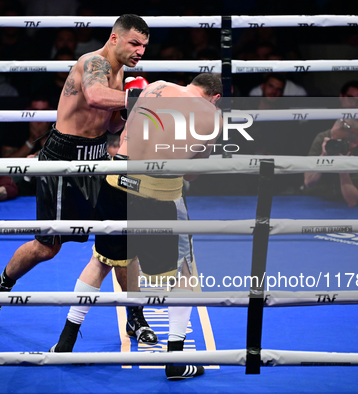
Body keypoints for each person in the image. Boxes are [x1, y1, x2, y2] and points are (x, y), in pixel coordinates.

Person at [0, 15, 153, 343]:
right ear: (114, 38)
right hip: (64, 163)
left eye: (144, 45)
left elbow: (110, 124)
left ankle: (135, 315)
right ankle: (0, 285)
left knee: (122, 240)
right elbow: (96, 96)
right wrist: (138, 100)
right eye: (134, 43)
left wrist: (130, 112)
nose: (140, 51)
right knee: (47, 248)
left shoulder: (121, 74)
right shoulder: (93, 63)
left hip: (98, 160)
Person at [51, 73, 223, 381]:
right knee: (182, 273)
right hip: (156, 196)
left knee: (100, 261)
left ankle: (65, 341)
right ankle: (174, 360)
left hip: (117, 183)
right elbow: (191, 174)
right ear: (215, 97)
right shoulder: (211, 114)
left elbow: (123, 126)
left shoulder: (156, 87)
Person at [303, 119, 358, 207]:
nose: (332, 142)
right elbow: (308, 182)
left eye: (337, 141)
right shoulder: (324, 139)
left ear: (354, 143)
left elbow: (352, 201)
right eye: (331, 136)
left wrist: (342, 168)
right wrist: (323, 156)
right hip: (316, 198)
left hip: (346, 203)